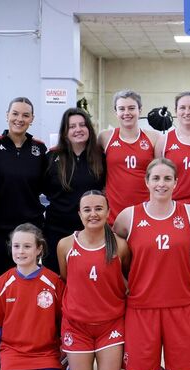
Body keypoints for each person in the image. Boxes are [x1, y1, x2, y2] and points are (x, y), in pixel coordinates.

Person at [112, 158, 190, 370]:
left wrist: (184, 273)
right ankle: (155, 369)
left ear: (176, 182)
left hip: (181, 305)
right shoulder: (128, 217)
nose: (161, 184)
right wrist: (127, 283)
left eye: (167, 178)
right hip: (142, 306)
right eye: (156, 178)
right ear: (147, 182)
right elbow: (113, 255)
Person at [57, 190, 130, 370]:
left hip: (111, 324)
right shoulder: (66, 245)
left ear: (108, 212)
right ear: (79, 214)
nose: (93, 214)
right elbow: (65, 277)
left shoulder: (120, 245)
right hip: (77, 325)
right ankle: (72, 365)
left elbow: (126, 276)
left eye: (99, 208)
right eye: (87, 210)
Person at [0, 223, 65, 370]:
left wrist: (67, 355)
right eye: (16, 246)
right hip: (13, 353)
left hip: (45, 354)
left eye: (27, 246)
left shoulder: (53, 281)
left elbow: (64, 321)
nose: (20, 251)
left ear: (39, 249)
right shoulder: (2, 283)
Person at [0, 97, 49, 308]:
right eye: (15, 114)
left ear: (32, 119)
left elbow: (47, 185)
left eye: (25, 115)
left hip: (30, 230)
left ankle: (26, 339)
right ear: (7, 116)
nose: (20, 119)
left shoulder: (39, 149)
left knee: (27, 290)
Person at [43, 108, 106, 273]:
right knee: (56, 279)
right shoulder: (51, 158)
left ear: (89, 129)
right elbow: (41, 188)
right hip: (57, 230)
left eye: (82, 125)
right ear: (65, 132)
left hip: (91, 230)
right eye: (72, 126)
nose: (78, 129)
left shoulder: (100, 157)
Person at [100, 90, 160, 224]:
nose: (126, 113)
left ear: (140, 110)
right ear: (116, 112)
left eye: (131, 108)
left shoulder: (154, 138)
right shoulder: (105, 137)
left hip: (145, 211)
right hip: (114, 212)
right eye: (122, 109)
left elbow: (160, 174)